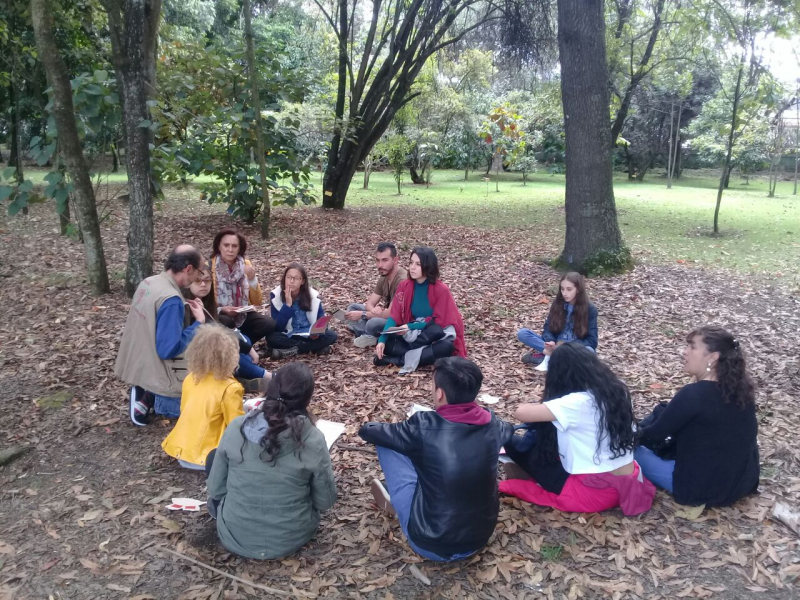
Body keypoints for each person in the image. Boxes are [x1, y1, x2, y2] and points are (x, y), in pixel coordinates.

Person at [359, 357, 513, 561]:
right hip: (479, 538)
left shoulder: (423, 426)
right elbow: (510, 430)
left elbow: (368, 431)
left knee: (388, 443)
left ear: (439, 393)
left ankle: (399, 495)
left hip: (429, 542)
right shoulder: (493, 423)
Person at [499, 343, 655, 516]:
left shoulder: (577, 402)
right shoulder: (618, 390)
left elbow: (520, 412)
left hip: (590, 490)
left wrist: (550, 399)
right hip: (627, 479)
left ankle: (526, 474)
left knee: (509, 438)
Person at [205, 363, 337, 560]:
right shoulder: (313, 439)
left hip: (234, 534)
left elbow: (216, 490)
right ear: (306, 399)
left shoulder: (236, 428)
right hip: (293, 536)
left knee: (214, 456)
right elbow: (325, 501)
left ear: (271, 388)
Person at [635, 326, 759, 507]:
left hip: (699, 489)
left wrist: (625, 433)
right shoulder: (740, 390)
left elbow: (650, 437)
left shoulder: (694, 394)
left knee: (629, 450)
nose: (684, 352)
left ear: (713, 357)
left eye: (692, 347)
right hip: (738, 484)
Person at [115, 245, 206, 425]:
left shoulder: (149, 282)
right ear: (188, 269)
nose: (199, 277)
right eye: (199, 272)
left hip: (138, 363)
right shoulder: (172, 299)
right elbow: (167, 349)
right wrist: (198, 324)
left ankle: (145, 389)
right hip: (159, 373)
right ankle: (151, 399)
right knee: (205, 410)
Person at [161, 324, 245, 470]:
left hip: (181, 451)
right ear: (231, 357)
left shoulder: (191, 378)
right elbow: (236, 426)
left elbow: (185, 409)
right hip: (208, 457)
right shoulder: (230, 388)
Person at [373, 246, 465, 374]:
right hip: (410, 338)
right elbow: (394, 316)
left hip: (430, 337)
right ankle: (413, 356)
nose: (412, 267)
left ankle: (398, 360)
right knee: (384, 343)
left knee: (446, 346)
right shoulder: (404, 286)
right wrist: (382, 340)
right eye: (411, 263)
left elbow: (439, 323)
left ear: (428, 266)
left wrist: (410, 326)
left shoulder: (441, 289)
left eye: (418, 264)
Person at [184, 263, 271, 391]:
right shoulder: (189, 305)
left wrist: (246, 347)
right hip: (199, 356)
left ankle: (238, 376)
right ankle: (267, 376)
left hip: (213, 350)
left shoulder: (206, 302)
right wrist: (247, 349)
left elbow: (220, 327)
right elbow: (213, 334)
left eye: (207, 280)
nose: (203, 284)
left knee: (244, 339)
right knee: (229, 350)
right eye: (198, 280)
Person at [517, 272, 598, 370]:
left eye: (569, 289)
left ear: (578, 289)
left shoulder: (590, 309)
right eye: (562, 289)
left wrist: (567, 346)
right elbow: (548, 329)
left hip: (573, 348)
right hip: (555, 344)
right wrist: (550, 341)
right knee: (523, 333)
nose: (565, 293)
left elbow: (592, 341)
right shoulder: (558, 304)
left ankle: (549, 358)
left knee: (589, 351)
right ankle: (555, 357)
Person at [210, 228, 275, 347]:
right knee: (227, 321)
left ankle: (242, 346)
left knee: (268, 323)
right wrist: (223, 309)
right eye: (226, 245)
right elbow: (203, 303)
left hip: (241, 314)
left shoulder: (245, 265)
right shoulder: (209, 267)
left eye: (234, 246)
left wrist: (251, 278)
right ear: (219, 246)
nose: (230, 250)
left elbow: (257, 301)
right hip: (218, 314)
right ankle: (233, 347)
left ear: (239, 248)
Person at [267, 263, 338, 359]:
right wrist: (287, 305)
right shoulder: (276, 295)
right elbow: (278, 327)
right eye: (288, 277)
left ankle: (293, 350)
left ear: (302, 281)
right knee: (271, 337)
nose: (291, 281)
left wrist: (317, 331)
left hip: (309, 334)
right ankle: (314, 348)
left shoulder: (312, 295)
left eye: (296, 278)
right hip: (289, 335)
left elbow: (321, 319)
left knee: (331, 335)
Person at [344, 242, 408, 348]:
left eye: (384, 260)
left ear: (396, 260)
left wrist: (363, 314)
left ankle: (370, 334)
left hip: (399, 322)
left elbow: (390, 314)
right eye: (378, 260)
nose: (380, 265)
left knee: (372, 323)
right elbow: (370, 303)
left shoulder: (402, 280)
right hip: (385, 315)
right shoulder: (384, 275)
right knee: (352, 307)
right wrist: (373, 310)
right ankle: (370, 334)